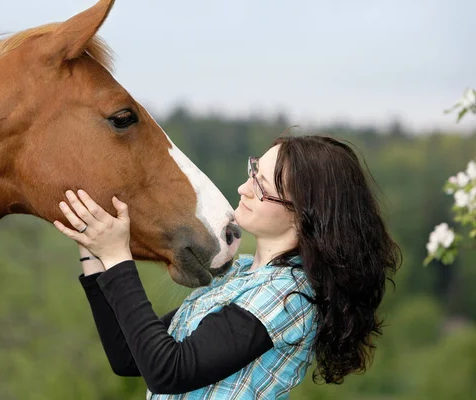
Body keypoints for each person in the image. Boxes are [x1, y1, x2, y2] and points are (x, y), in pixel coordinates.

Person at [53, 134, 402, 399]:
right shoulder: (240, 274)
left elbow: (169, 370)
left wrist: (117, 257)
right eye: (253, 171)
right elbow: (129, 357)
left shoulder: (287, 297)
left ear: (305, 214)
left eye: (261, 187)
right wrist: (94, 254)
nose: (243, 188)